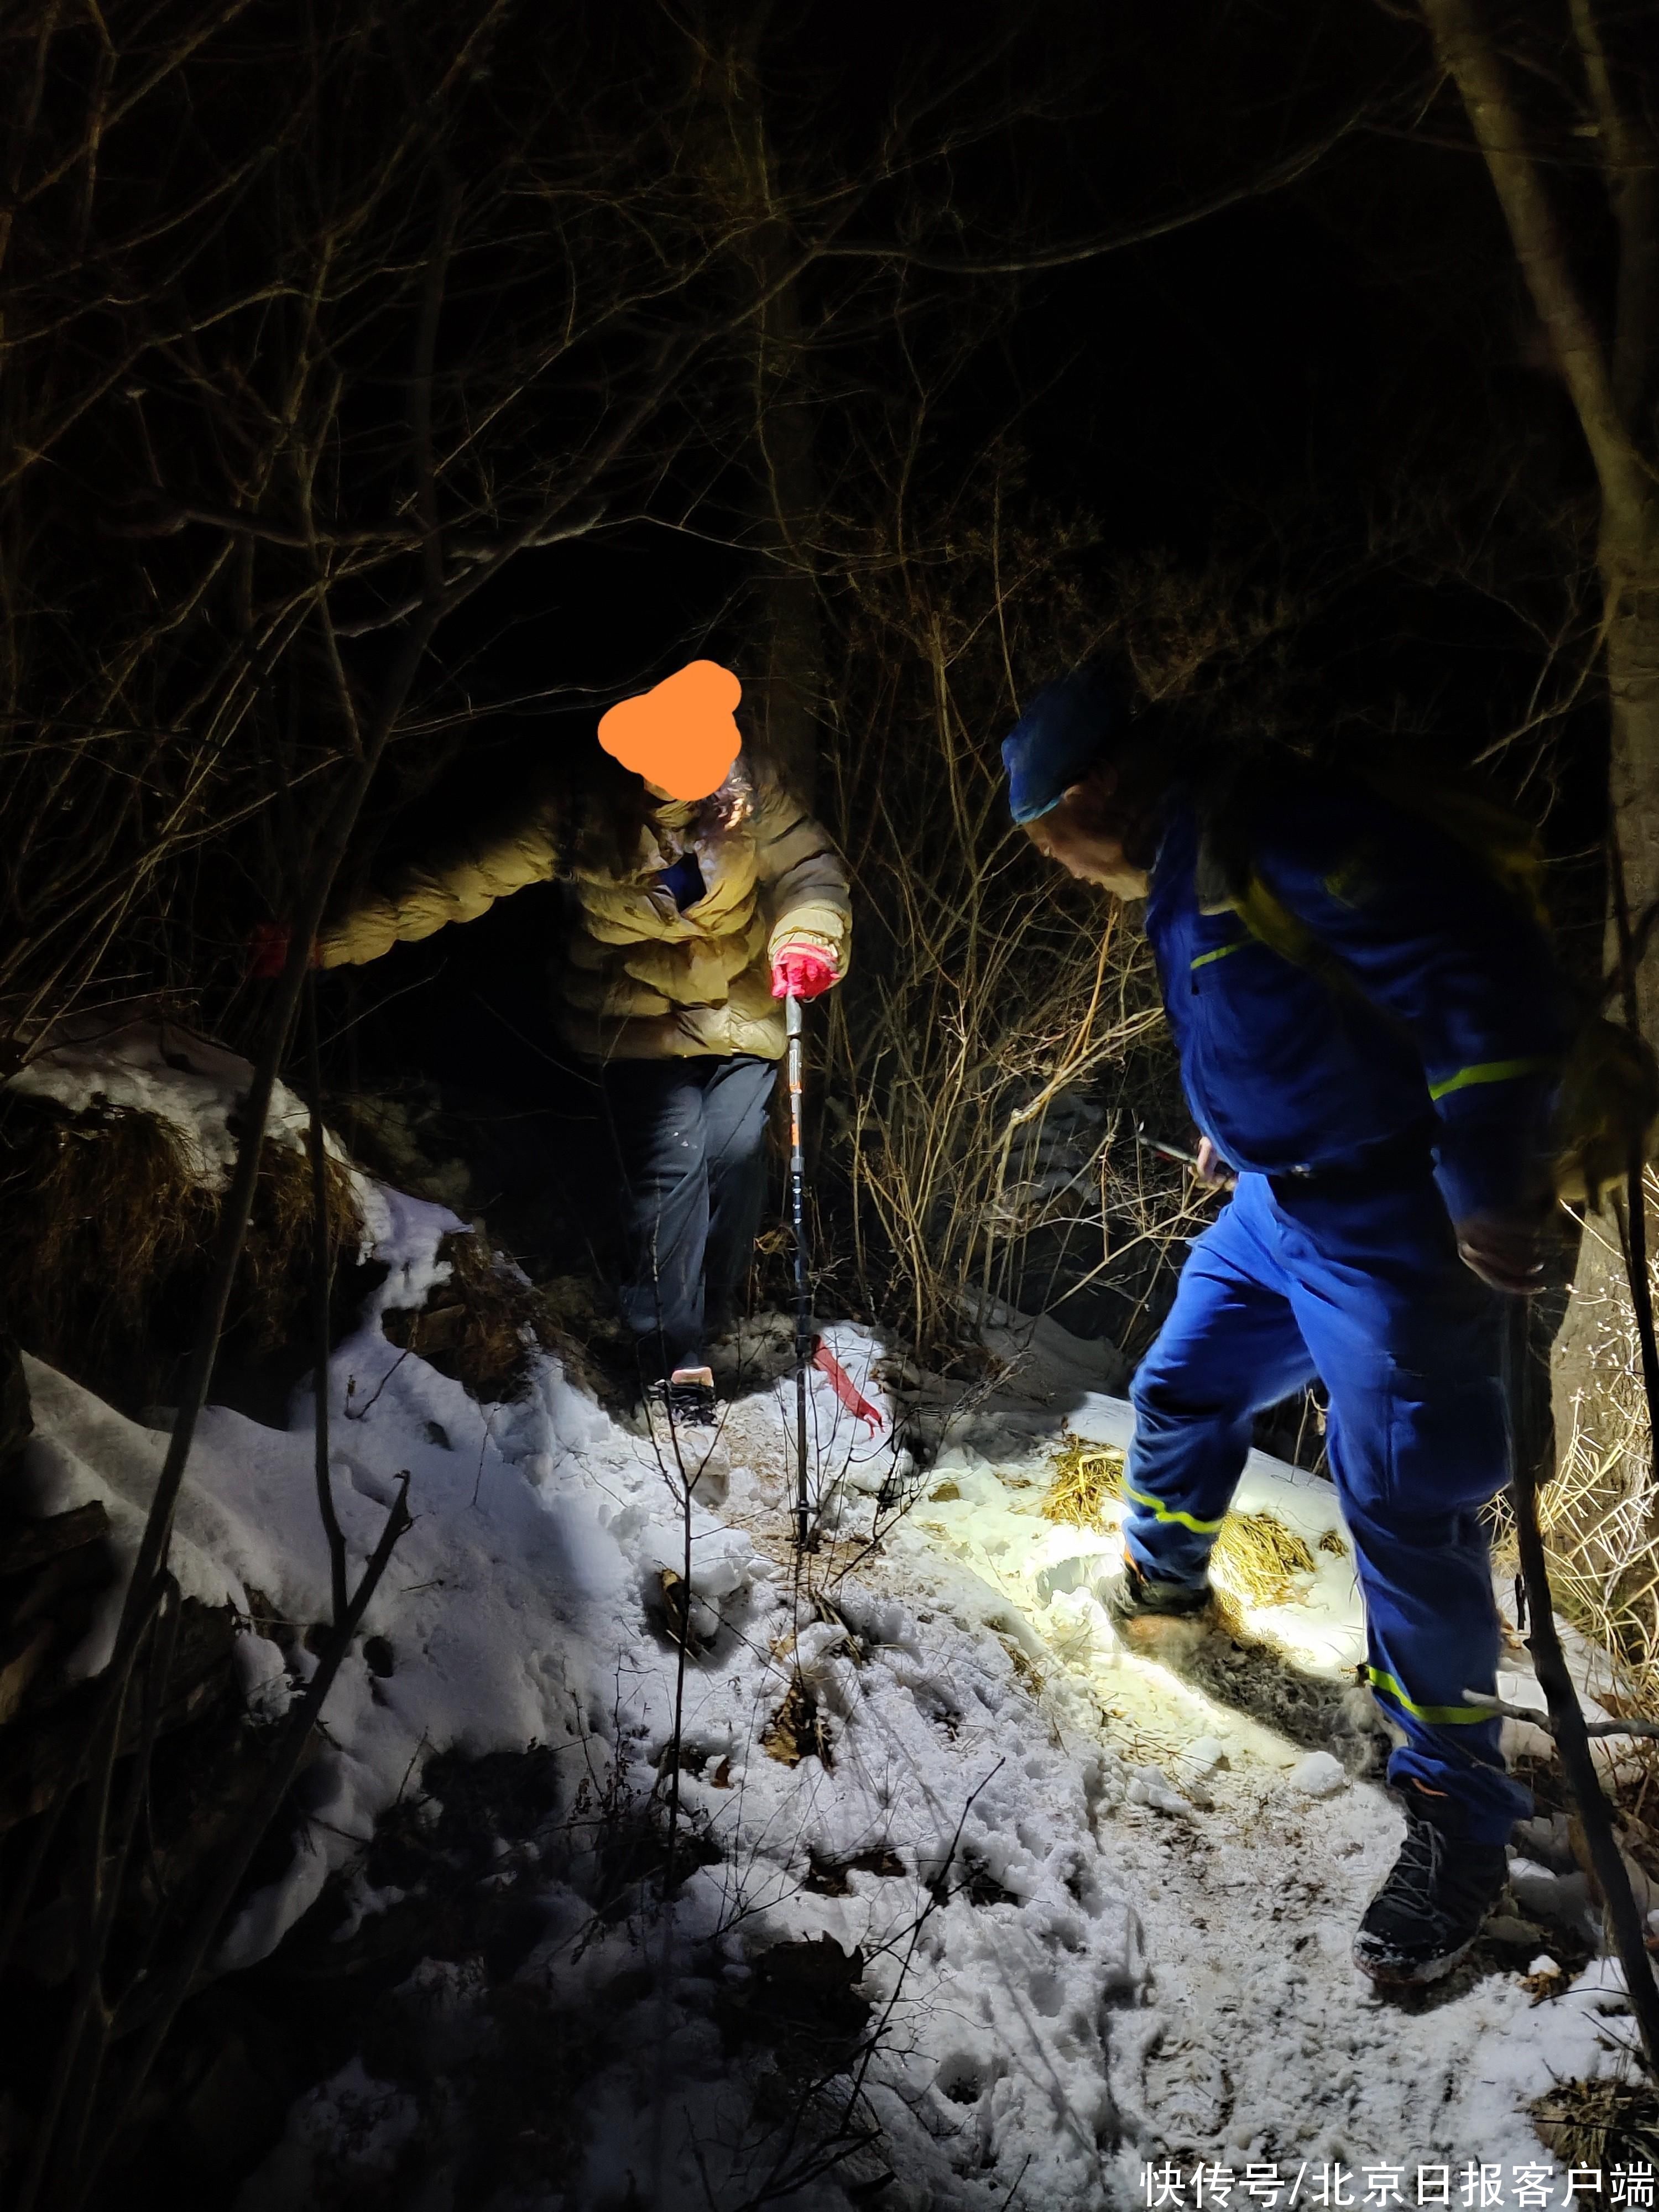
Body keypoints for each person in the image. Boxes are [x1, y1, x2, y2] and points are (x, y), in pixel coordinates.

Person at [1003, 665, 1571, 1989]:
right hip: (1278, 1205)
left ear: (1087, 795)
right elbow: (1276, 1010)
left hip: (1395, 1229)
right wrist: (1239, 1121)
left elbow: (1475, 977)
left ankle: (1456, 1821)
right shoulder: (1189, 852)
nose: (1056, 866)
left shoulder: (1277, 826)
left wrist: (1490, 1177)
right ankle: (1162, 1581)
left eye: (1047, 841)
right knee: (1182, 1387)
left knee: (1405, 1519)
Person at [311, 724, 851, 1427]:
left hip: (741, 1011)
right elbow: (452, 879)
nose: (699, 782)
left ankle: (709, 1310)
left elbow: (812, 871)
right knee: (673, 1161)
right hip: (632, 1019)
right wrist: (322, 938)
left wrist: (807, 935)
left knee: (734, 1152)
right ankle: (671, 1354)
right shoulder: (577, 809)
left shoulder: (749, 787)